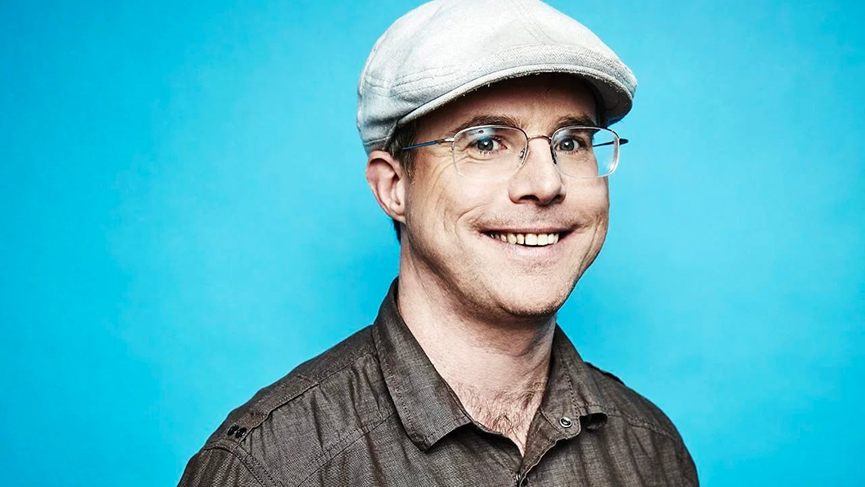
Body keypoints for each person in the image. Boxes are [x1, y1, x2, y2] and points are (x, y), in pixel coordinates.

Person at [179, 0, 698, 485]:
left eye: (571, 142)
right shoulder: (271, 469)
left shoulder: (651, 451)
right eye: (486, 142)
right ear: (394, 187)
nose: (546, 183)